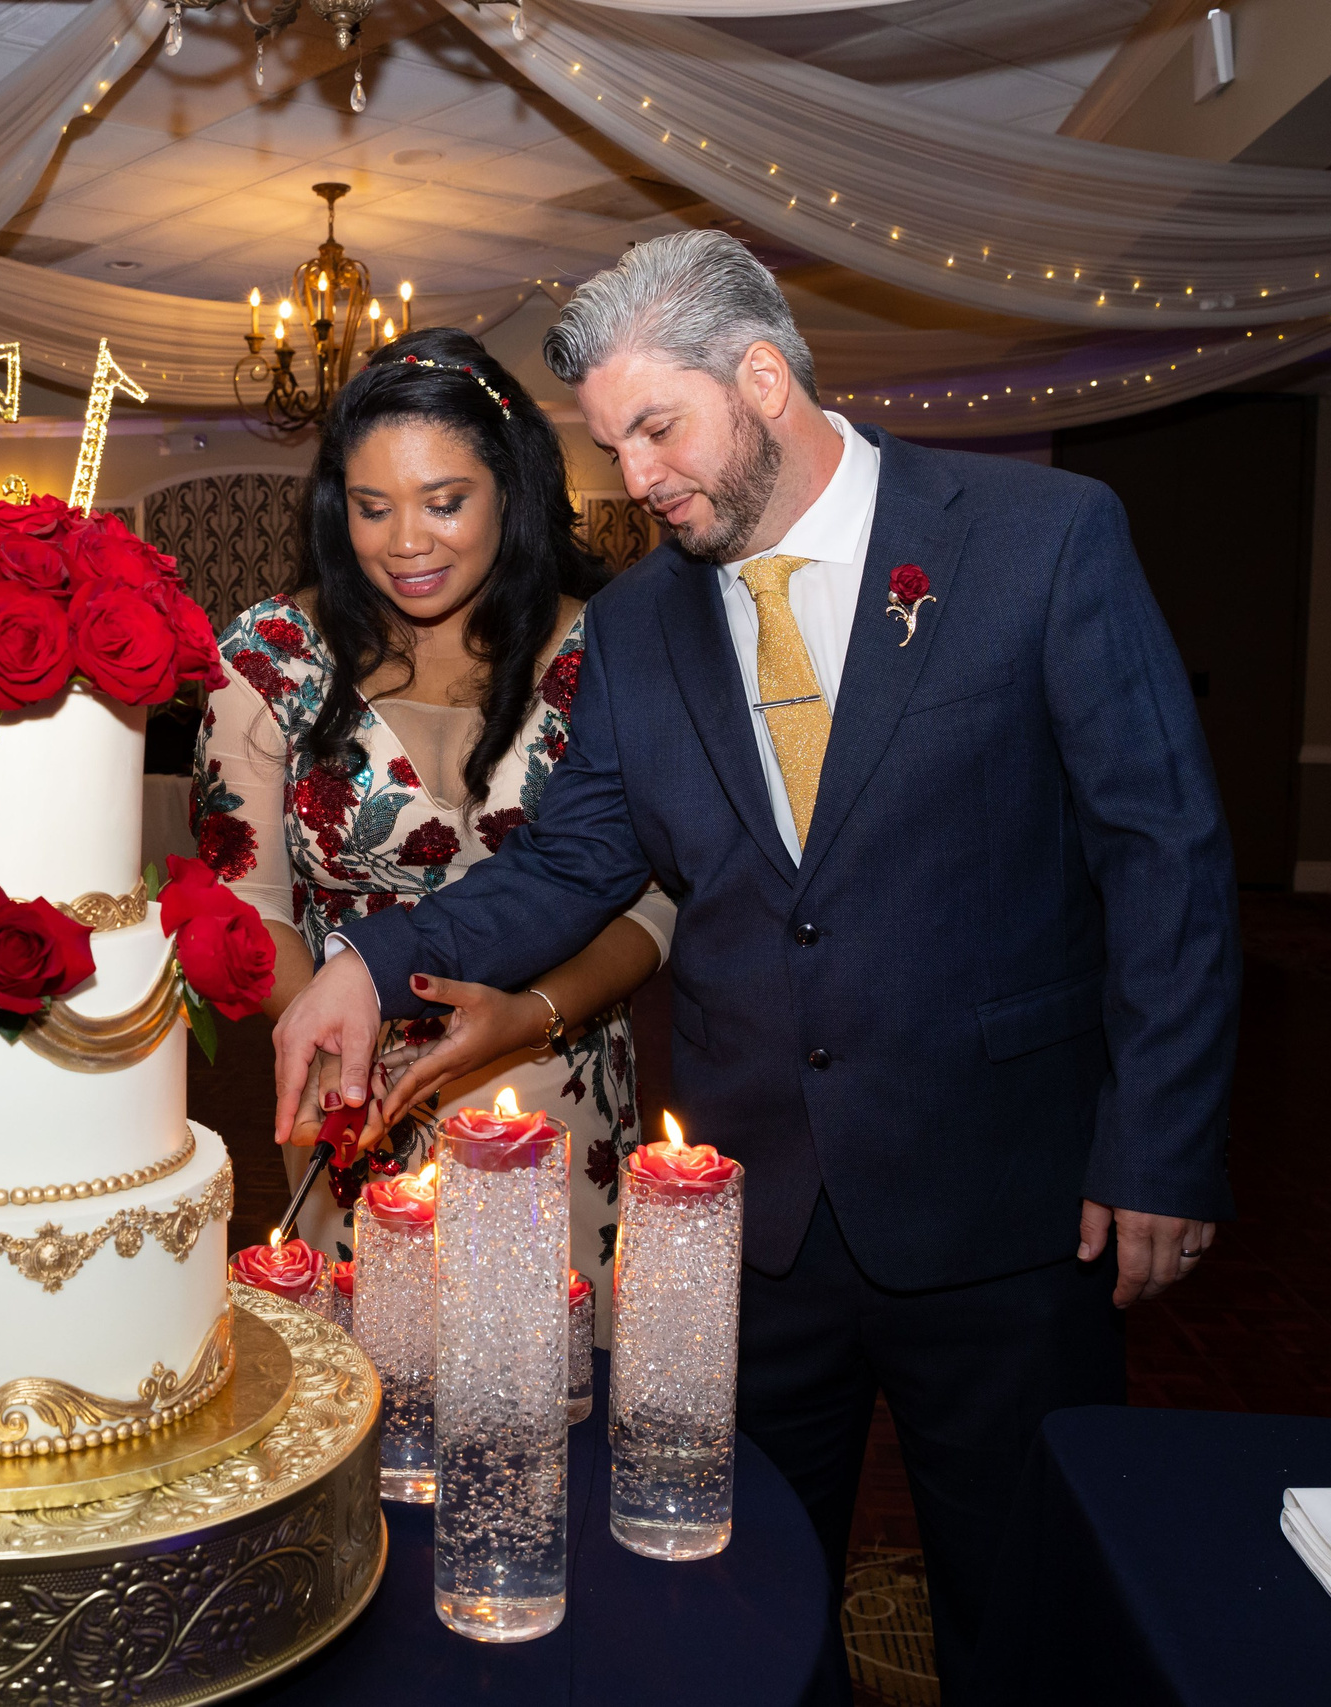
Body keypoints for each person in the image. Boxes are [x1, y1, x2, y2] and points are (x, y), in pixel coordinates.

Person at [271, 232, 1238, 1696]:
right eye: (614, 441)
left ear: (766, 376)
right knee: (735, 1593)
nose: (637, 473)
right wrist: (374, 955)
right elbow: (574, 862)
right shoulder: (650, 622)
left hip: (1009, 1193)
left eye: (659, 427)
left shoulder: (1041, 536)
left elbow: (1164, 853)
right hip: (744, 1214)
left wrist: (1161, 1143)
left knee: (1025, 1597)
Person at [194, 327, 673, 1284]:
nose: (405, 542)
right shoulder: (272, 656)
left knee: (548, 1391)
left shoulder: (609, 649)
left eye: (444, 503)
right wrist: (337, 1051)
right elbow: (242, 904)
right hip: (351, 1104)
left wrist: (534, 1012)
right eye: (373, 509)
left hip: (553, 1091)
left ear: (512, 490)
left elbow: (655, 894)